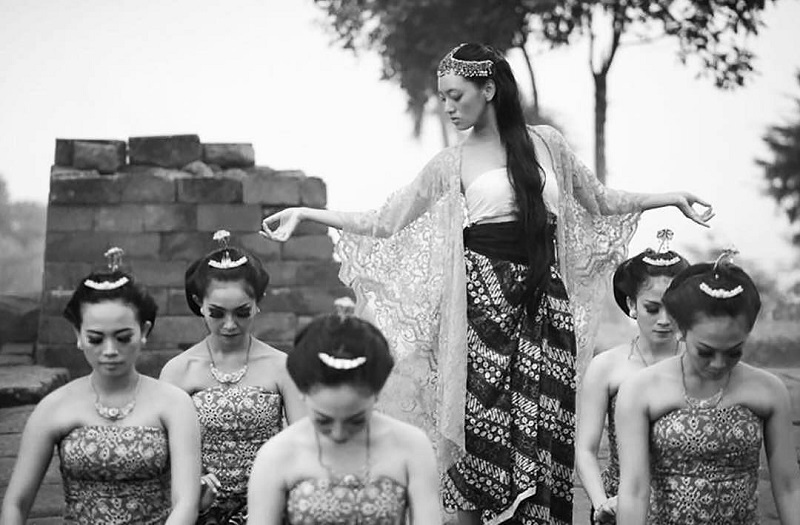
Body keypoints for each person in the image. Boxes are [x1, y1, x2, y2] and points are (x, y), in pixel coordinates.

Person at [260, 43, 713, 525]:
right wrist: (306, 213)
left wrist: (670, 197)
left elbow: (600, 200)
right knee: (482, 436)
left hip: (546, 306)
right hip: (482, 311)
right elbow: (384, 220)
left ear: (489, 89)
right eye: (442, 98)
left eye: (455, 96)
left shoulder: (547, 144)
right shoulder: (450, 162)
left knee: (547, 427)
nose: (448, 107)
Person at [0, 247, 201, 525]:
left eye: (122, 337)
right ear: (78, 335)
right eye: (95, 339)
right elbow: (16, 503)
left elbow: (186, 502)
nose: (109, 350)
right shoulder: (55, 406)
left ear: (144, 331)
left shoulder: (174, 404)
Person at [616, 253, 800, 524]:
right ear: (680, 329)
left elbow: (788, 487)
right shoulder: (640, 390)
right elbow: (634, 492)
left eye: (734, 352)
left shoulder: (769, 391)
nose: (718, 363)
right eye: (705, 351)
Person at [160, 231, 305, 525]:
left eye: (242, 313)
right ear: (199, 303)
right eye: (217, 313)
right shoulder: (178, 370)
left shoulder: (282, 366)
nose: (229, 325)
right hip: (198, 509)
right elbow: (164, 455)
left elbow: (304, 443)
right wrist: (193, 485)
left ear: (258, 302)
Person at [247, 313, 441, 525]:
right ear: (302, 393)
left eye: (356, 420)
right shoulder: (277, 454)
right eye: (323, 420)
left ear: (376, 394)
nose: (338, 434)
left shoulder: (411, 445)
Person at [575, 230, 689, 524]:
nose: (664, 320)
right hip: (620, 502)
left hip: (684, 502)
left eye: (673, 308)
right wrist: (601, 504)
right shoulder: (606, 367)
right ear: (631, 305)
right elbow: (585, 450)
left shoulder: (697, 364)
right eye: (653, 308)